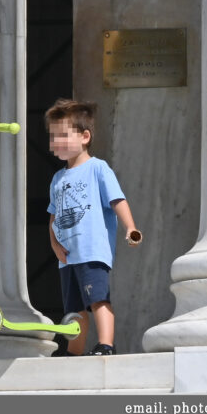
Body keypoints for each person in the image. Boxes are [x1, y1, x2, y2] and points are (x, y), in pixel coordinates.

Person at [45, 99, 142, 356]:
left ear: (85, 136)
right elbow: (53, 216)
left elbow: (117, 199)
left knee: (98, 299)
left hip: (91, 251)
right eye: (53, 137)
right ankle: (73, 352)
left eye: (63, 135)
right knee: (74, 310)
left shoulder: (97, 168)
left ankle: (106, 344)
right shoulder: (57, 178)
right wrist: (54, 244)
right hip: (67, 257)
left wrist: (130, 227)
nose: (56, 142)